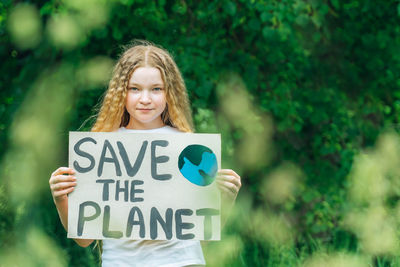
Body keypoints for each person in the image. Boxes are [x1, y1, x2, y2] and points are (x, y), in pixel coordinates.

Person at [49, 41, 241, 267]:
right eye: (134, 88)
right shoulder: (102, 150)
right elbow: (84, 239)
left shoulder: (189, 149)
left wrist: (226, 197)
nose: (145, 99)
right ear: (121, 91)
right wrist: (60, 197)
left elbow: (205, 237)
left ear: (170, 91)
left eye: (156, 89)